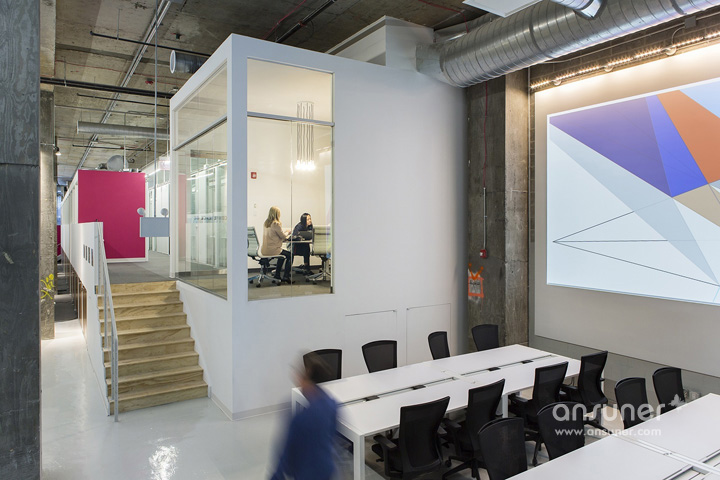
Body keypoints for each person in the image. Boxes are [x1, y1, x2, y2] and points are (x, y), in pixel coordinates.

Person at [270, 353, 338, 480]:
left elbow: (287, 458)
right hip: (327, 470)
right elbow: (333, 439)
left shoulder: (301, 419)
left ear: (307, 378)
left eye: (300, 375)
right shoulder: (332, 404)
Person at [262, 206, 293, 283]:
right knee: (290, 255)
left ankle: (277, 274)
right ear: (277, 214)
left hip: (264, 250)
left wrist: (283, 233)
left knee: (282, 257)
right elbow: (283, 236)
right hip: (273, 250)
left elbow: (274, 234)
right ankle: (286, 276)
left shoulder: (266, 223)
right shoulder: (276, 224)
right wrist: (288, 232)